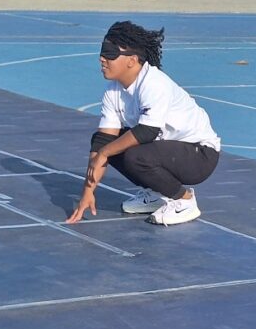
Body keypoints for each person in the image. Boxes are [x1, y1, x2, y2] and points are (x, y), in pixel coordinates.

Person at [66, 21, 220, 227]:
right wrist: (88, 191)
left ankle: (185, 200)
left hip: (199, 155)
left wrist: (105, 152)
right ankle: (157, 193)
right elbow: (102, 140)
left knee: (132, 154)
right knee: (109, 145)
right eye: (102, 53)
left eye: (110, 54)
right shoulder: (113, 92)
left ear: (132, 60)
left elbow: (147, 131)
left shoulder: (153, 83)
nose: (102, 58)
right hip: (165, 150)